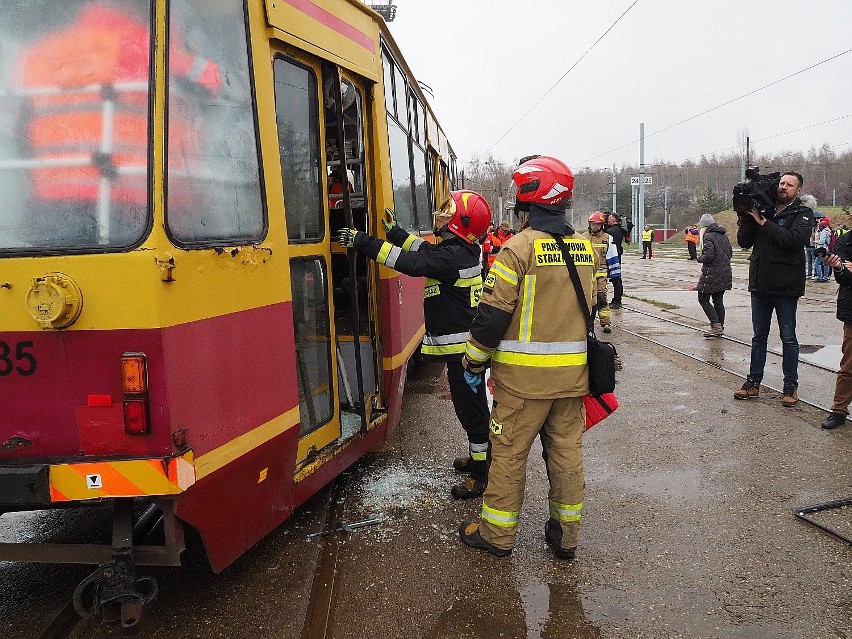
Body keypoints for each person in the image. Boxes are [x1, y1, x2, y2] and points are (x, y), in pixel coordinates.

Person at [457, 155, 598, 559]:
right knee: (567, 456)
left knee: (509, 456)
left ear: (526, 197)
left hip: (522, 384)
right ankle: (566, 537)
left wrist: (472, 361)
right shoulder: (584, 248)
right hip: (572, 380)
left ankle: (497, 536)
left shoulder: (517, 250)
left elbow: (490, 318)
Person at [19, 0, 220, 245]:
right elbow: (212, 81)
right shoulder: (141, 44)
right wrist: (175, 33)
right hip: (136, 207)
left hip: (50, 207)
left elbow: (22, 125)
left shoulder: (41, 51)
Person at [336, 191, 492, 499]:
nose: (441, 215)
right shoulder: (460, 251)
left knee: (471, 412)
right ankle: (479, 458)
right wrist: (395, 233)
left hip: (464, 354)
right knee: (471, 409)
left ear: (461, 223)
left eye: (448, 211)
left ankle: (481, 472)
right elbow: (423, 251)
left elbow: (410, 261)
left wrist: (362, 241)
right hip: (463, 351)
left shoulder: (451, 257)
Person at [733, 171, 814, 406]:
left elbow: (793, 240)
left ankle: (790, 386)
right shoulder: (763, 208)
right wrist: (747, 218)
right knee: (759, 337)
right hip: (760, 283)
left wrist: (764, 223)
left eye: (789, 185)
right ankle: (753, 382)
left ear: (798, 191)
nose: (783, 187)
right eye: (781, 183)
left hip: (786, 285)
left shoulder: (803, 213)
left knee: (788, 338)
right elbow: (744, 242)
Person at [822, 235, 852, 429]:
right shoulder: (846, 241)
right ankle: (839, 410)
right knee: (848, 364)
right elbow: (845, 278)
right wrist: (838, 267)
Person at [695, 214, 732, 337]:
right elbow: (730, 253)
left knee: (703, 298)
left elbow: (709, 256)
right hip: (725, 272)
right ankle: (720, 325)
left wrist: (699, 258)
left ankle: (715, 325)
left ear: (704, 226)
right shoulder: (724, 236)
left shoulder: (708, 236)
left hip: (711, 273)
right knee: (718, 300)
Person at [583, 211, 613, 333]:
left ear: (602, 225)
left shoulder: (608, 238)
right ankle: (586, 324)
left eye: (598, 224)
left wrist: (614, 273)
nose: (595, 227)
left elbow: (612, 256)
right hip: (587, 274)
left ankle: (605, 323)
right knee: (586, 299)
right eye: (593, 224)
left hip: (601, 275)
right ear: (589, 224)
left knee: (601, 298)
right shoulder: (583, 237)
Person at [605, 212, 626, 308]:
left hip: (614, 256)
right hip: (617, 254)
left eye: (609, 218)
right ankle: (617, 299)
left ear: (614, 220)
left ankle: (617, 300)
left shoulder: (612, 231)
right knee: (616, 278)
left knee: (616, 278)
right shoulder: (618, 229)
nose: (607, 220)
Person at [800, 194, 818, 278]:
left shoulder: (816, 227)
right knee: (810, 261)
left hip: (813, 246)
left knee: (814, 261)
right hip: (808, 245)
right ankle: (810, 273)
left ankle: (815, 273)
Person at [815, 217, 833, 283]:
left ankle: (819, 277)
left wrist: (816, 241)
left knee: (817, 263)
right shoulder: (829, 231)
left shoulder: (823, 232)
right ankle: (825, 277)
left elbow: (822, 241)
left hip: (821, 249)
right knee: (826, 264)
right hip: (827, 249)